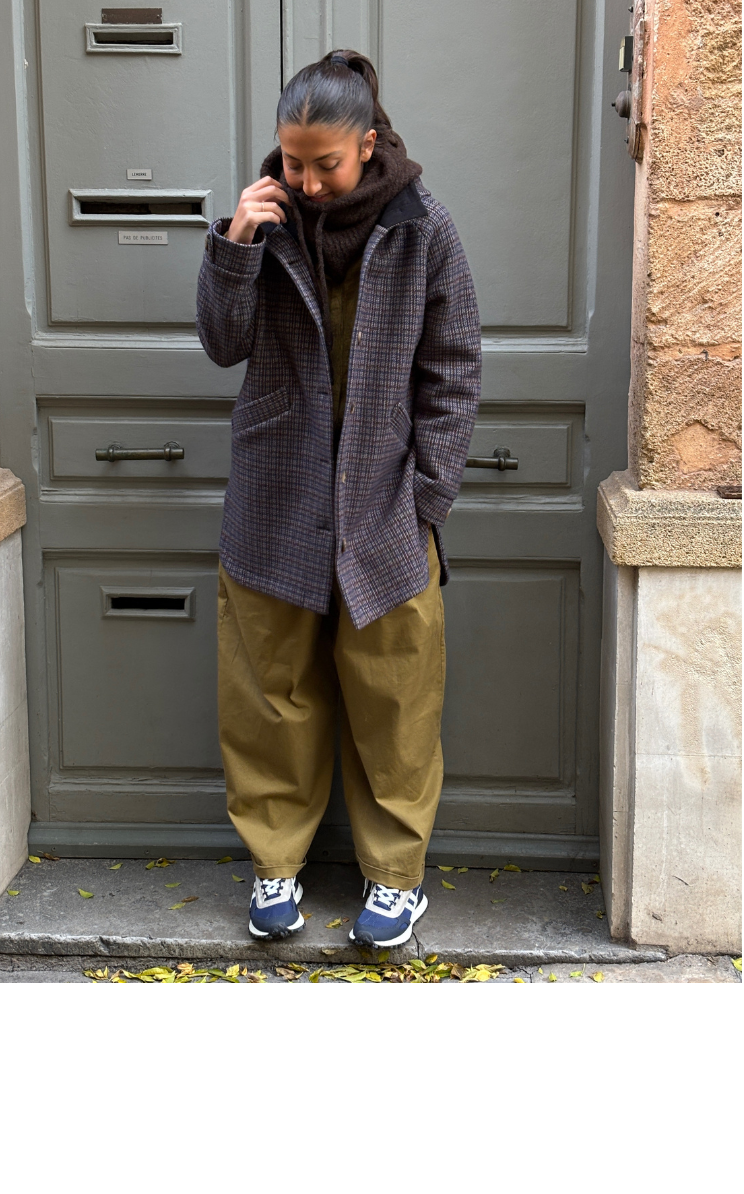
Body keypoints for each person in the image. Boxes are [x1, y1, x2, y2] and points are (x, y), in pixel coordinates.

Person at [196, 50, 481, 949]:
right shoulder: (265, 221)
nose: (308, 183)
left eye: (326, 164)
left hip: (386, 508)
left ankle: (395, 879)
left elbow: (454, 371)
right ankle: (274, 862)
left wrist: (427, 497)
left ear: (367, 144)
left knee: (396, 700)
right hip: (276, 499)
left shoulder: (424, 228)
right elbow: (222, 343)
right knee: (269, 695)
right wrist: (234, 245)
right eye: (292, 162)